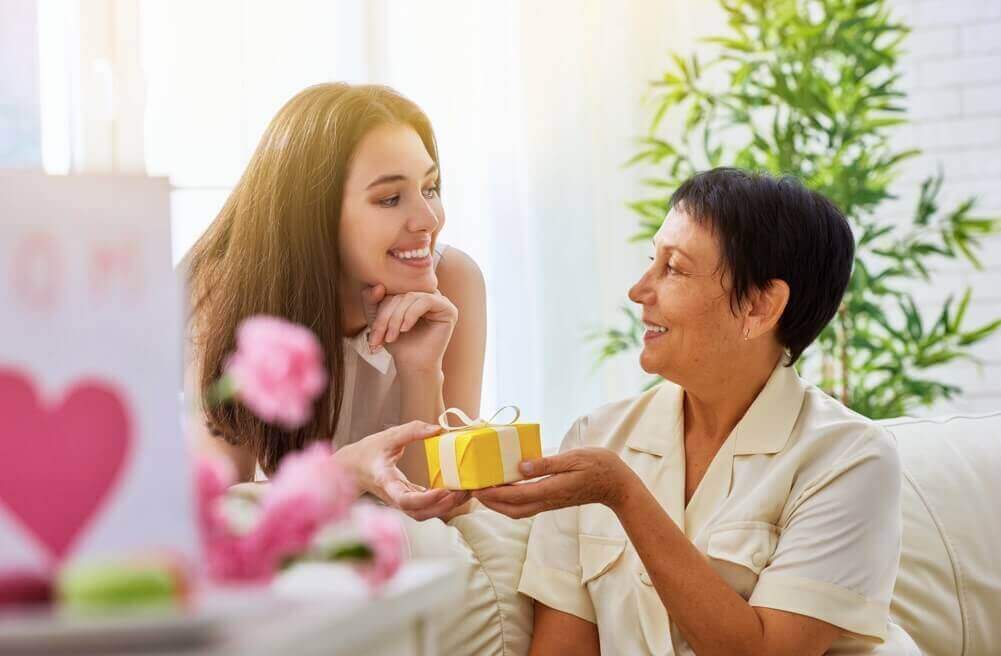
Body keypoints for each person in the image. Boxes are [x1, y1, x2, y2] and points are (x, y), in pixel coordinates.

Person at [475, 168, 919, 654]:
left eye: (674, 269)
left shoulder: (850, 458)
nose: (638, 290)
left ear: (760, 306)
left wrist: (623, 494)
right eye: (652, 260)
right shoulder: (596, 437)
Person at [185, 83, 485, 521]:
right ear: (313, 213)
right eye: (390, 198)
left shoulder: (453, 282)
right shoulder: (228, 291)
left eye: (430, 187)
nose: (429, 219)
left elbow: (441, 509)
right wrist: (346, 472)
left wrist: (421, 371)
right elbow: (221, 507)